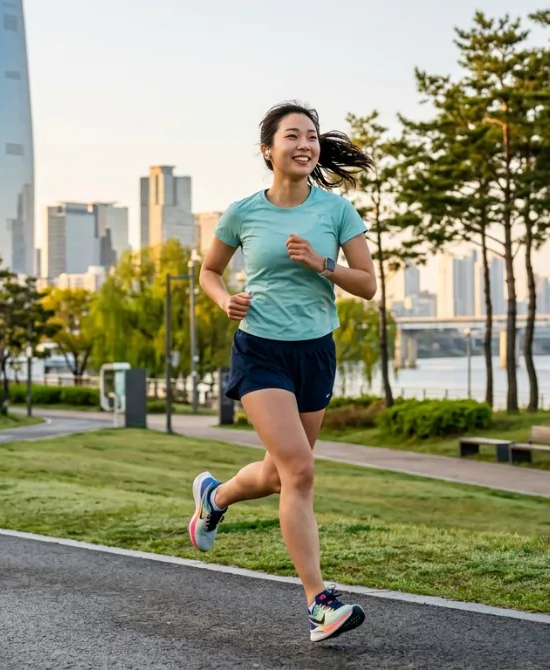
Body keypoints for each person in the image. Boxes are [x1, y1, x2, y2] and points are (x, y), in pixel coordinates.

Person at [187, 100, 378, 643]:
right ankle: (320, 604)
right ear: (268, 150)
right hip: (261, 350)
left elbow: (366, 284)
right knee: (300, 471)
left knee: (277, 475)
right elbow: (209, 270)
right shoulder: (244, 211)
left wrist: (322, 263)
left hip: (315, 351)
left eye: (312, 137)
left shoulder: (336, 211)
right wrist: (224, 299)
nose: (305, 145)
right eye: (293, 136)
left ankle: (215, 498)